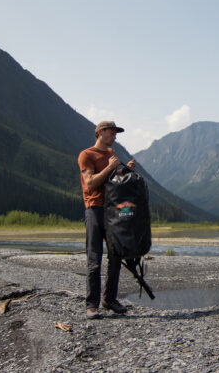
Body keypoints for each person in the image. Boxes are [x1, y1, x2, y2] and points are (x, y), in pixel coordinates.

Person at [78, 120, 136, 319]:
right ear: (100, 132)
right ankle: (91, 305)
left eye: (116, 132)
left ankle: (109, 299)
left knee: (115, 256)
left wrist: (123, 170)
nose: (115, 135)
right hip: (94, 209)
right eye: (112, 132)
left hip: (113, 211)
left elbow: (113, 180)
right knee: (94, 258)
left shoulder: (112, 155)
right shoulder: (87, 155)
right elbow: (91, 183)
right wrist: (110, 167)